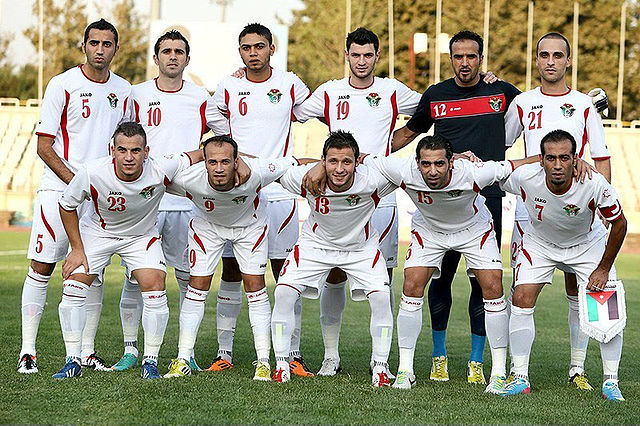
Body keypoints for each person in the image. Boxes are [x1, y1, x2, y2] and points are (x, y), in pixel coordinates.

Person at [390, 30, 521, 384]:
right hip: (439, 199)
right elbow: (410, 132)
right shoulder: (436, 95)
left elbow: (537, 119)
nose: (465, 63)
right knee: (439, 278)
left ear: (482, 58)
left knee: (485, 283)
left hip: (485, 197)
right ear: (451, 59)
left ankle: (478, 361)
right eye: (458, 56)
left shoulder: (503, 92)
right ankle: (438, 356)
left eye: (472, 56)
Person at [292, 27, 421, 377]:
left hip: (380, 197)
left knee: (382, 279)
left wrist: (400, 140)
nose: (361, 61)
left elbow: (430, 108)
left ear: (377, 56)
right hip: (337, 194)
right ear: (346, 56)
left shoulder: (392, 90)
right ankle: (331, 356)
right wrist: (249, 75)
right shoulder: (330, 92)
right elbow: (289, 107)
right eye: (355, 55)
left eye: (368, 55)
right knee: (334, 273)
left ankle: (381, 360)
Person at [363, 134, 537, 393]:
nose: (432, 171)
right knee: (411, 286)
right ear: (417, 162)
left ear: (451, 163)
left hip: (474, 230)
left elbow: (517, 163)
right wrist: (322, 165)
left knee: (492, 288)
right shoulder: (403, 169)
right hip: (430, 231)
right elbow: (362, 158)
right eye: (426, 164)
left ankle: (499, 373)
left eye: (440, 164)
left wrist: (571, 161)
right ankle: (405, 370)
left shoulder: (474, 172)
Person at [18, 18, 132, 374]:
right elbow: (44, 146)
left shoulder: (124, 90)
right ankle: (28, 352)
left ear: (116, 49)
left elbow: (125, 144)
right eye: (94, 43)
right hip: (59, 190)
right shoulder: (62, 84)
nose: (100, 49)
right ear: (84, 46)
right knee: (42, 267)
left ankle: (85, 351)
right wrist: (77, 183)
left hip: (99, 198)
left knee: (90, 271)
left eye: (107, 44)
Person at [113, 29, 229, 372]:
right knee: (137, 278)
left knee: (186, 277)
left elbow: (221, 140)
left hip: (183, 202)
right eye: (166, 51)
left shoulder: (201, 97)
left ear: (187, 59)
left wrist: (187, 157)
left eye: (179, 51)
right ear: (157, 58)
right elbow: (123, 141)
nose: (173, 56)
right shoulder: (136, 95)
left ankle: (185, 352)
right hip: (144, 202)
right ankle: (131, 349)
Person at [504, 32, 612, 390]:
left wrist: (597, 209)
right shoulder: (522, 102)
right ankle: (520, 373)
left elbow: (600, 159)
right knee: (523, 291)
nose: (550, 61)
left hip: (576, 209)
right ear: (536, 60)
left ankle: (577, 369)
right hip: (530, 212)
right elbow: (504, 148)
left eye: (557, 55)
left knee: (579, 292)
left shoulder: (583, 105)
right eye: (544, 55)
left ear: (569, 61)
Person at [54, 122, 202, 379]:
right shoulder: (93, 172)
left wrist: (240, 161)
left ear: (147, 151)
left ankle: (150, 361)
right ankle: (72, 360)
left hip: (140, 236)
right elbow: (67, 205)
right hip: (97, 232)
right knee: (73, 284)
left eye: (136, 150)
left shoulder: (161, 168)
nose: (129, 157)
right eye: (122, 150)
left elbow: (201, 154)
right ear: (112, 150)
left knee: (155, 283)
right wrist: (77, 249)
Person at [209, 23, 312, 376]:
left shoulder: (290, 84)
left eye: (259, 47)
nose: (252, 53)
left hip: (280, 192)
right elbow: (212, 118)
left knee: (286, 273)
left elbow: (313, 111)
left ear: (272, 48)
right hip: (239, 192)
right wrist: (239, 155)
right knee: (233, 271)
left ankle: (292, 354)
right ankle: (224, 352)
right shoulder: (228, 86)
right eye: (246, 47)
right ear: (240, 51)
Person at [162, 136, 310, 380]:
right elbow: (152, 173)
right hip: (207, 226)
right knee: (196, 287)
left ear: (236, 161)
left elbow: (297, 162)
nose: (219, 169)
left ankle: (263, 361)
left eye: (225, 162)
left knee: (255, 288)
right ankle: (182, 358)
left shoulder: (258, 171)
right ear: (204, 162)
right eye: (212, 162)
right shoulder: (187, 178)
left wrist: (328, 164)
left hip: (249, 227)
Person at [500, 130, 626, 402]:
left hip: (586, 245)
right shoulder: (525, 177)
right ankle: (519, 376)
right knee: (521, 297)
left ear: (575, 159)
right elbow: (492, 174)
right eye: (551, 158)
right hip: (540, 243)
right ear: (541, 160)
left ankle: (611, 382)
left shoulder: (594, 183)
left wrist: (603, 268)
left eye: (565, 158)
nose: (557, 165)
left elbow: (620, 223)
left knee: (606, 309)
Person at [271, 131, 395, 386]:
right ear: (323, 161)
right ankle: (282, 363)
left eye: (346, 162)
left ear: (357, 161)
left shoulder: (373, 180)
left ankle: (380, 366)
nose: (339, 169)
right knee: (283, 292)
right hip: (315, 246)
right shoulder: (304, 178)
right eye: (332, 161)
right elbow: (269, 167)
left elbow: (415, 170)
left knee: (382, 297)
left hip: (360, 249)